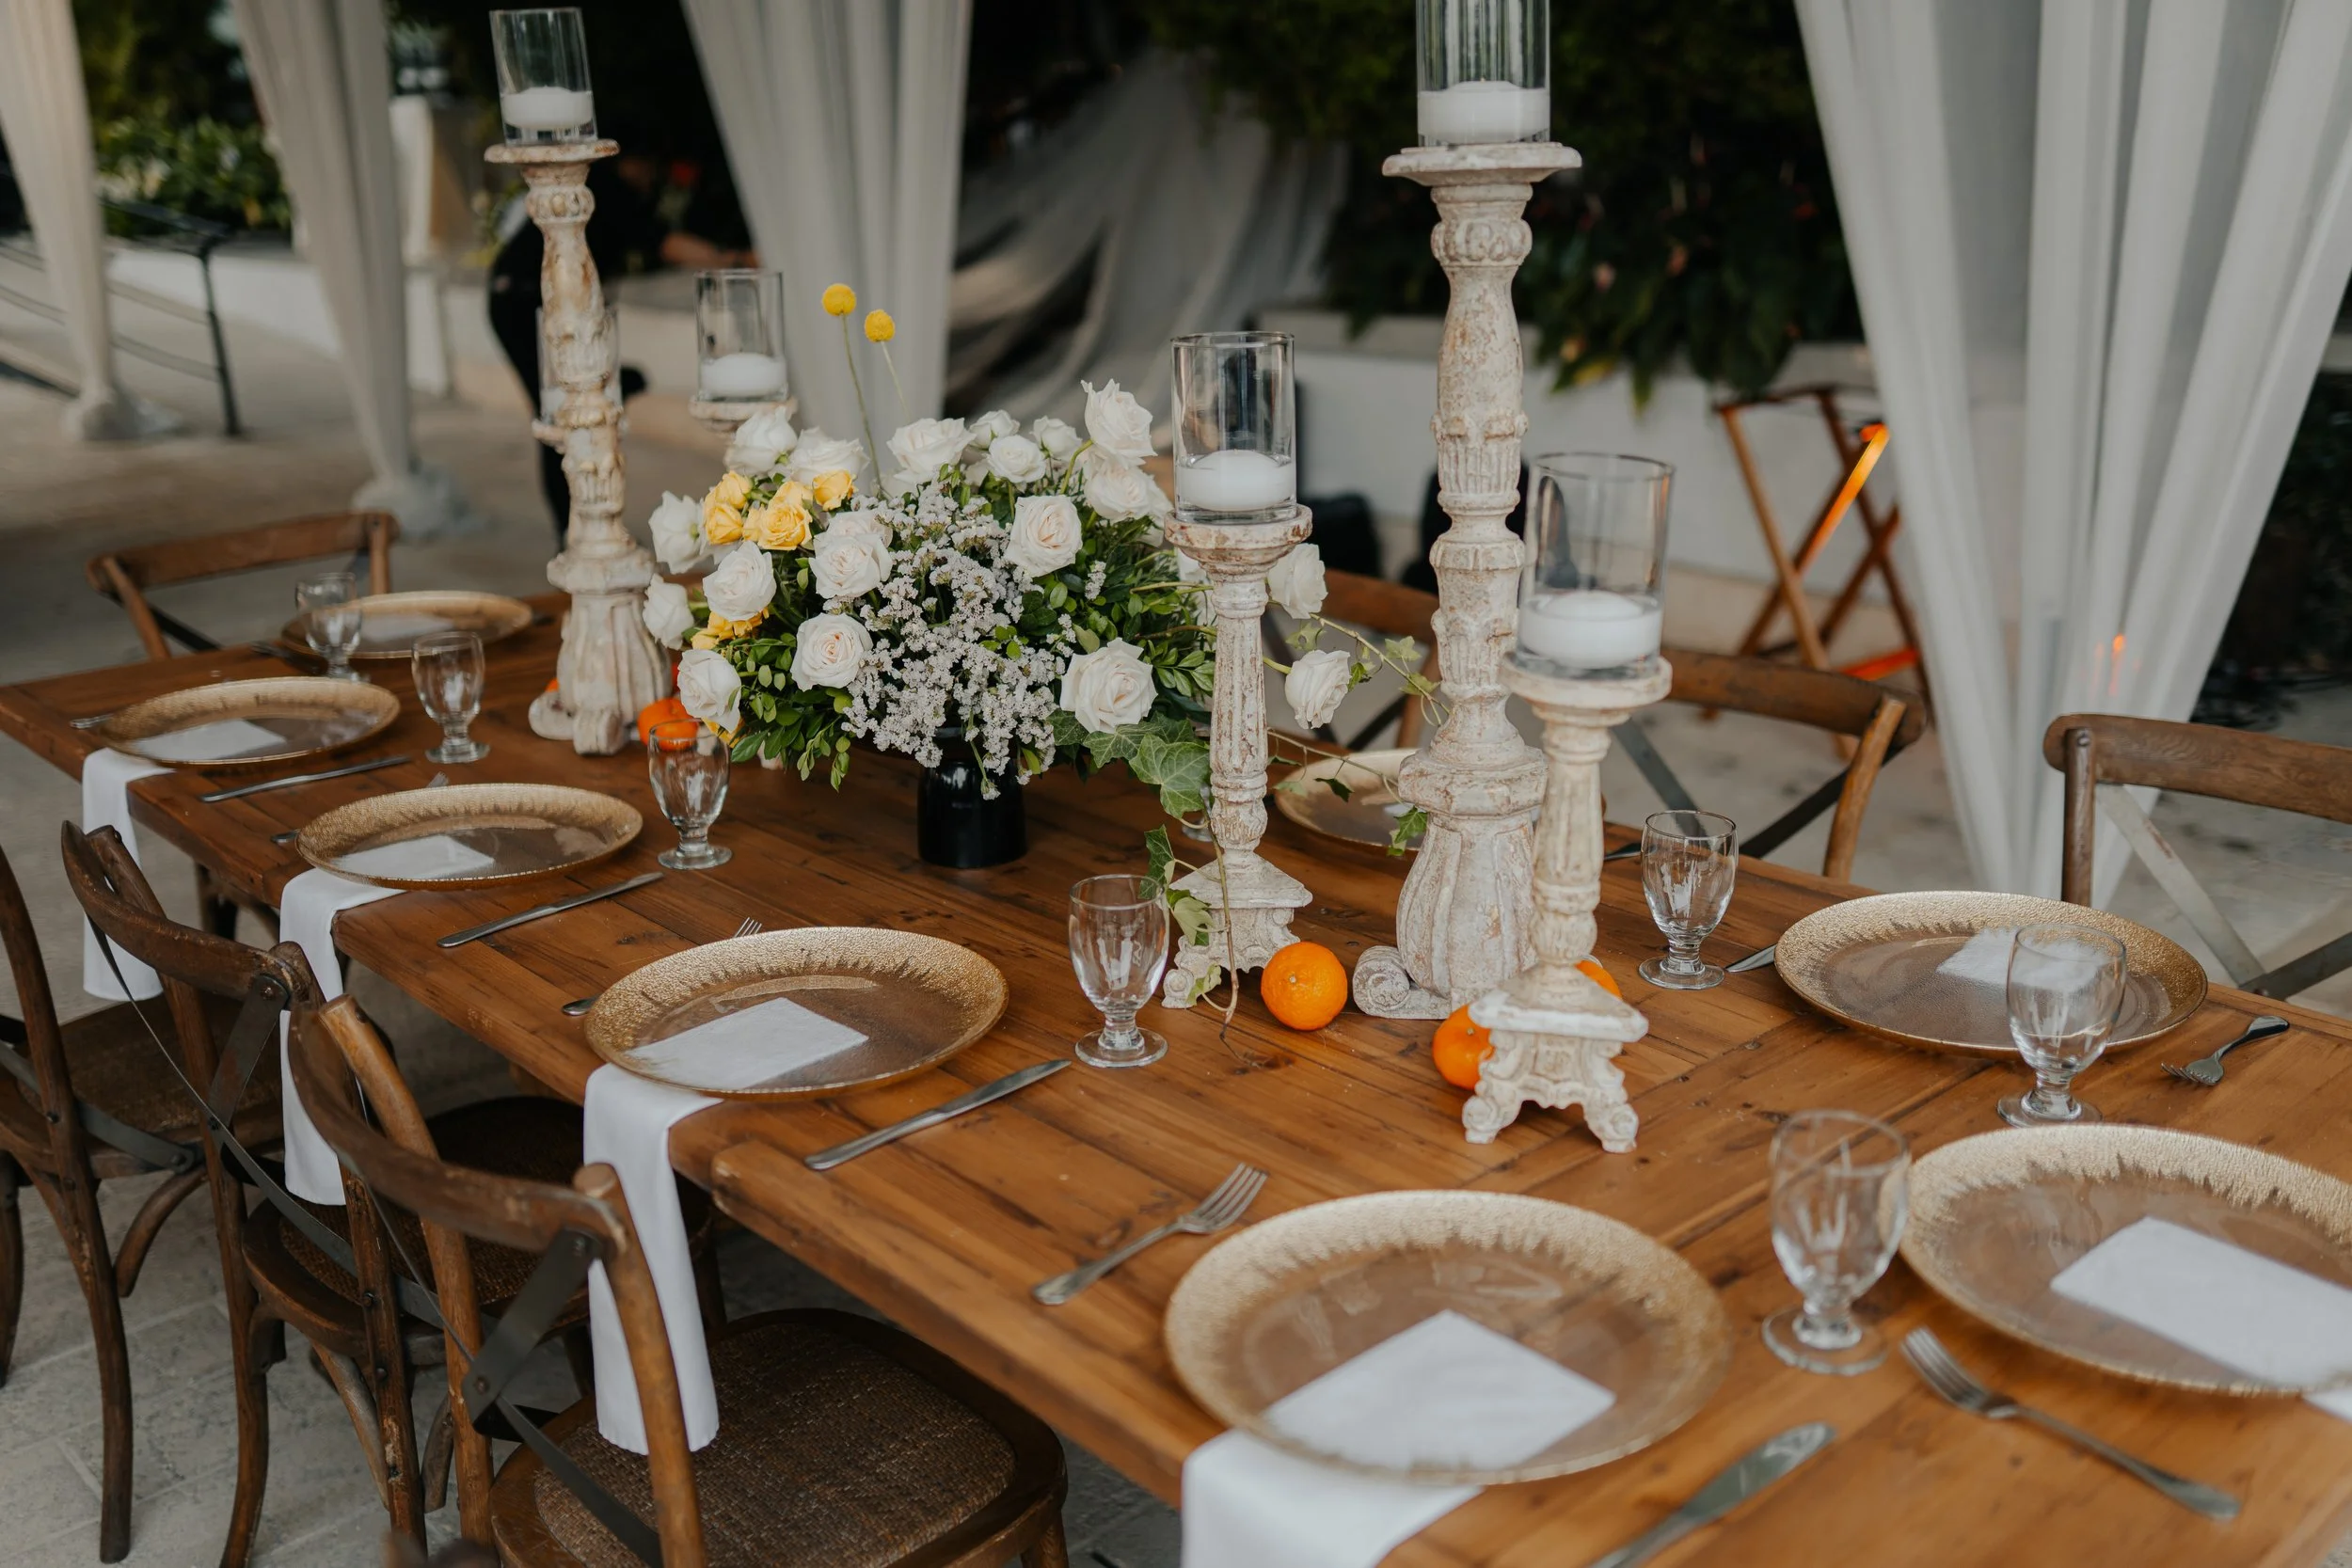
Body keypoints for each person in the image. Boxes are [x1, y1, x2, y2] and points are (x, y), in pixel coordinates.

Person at [487, 135, 754, 544]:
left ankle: (579, 525)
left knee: (567, 411)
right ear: (631, 160)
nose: (652, 178)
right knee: (558, 416)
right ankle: (573, 532)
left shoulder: (602, 188)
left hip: (526, 299)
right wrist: (735, 261)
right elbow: (666, 245)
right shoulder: (607, 188)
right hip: (523, 303)